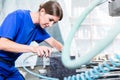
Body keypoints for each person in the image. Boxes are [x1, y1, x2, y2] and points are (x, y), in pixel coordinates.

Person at [0, 0, 63, 80]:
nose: (50, 25)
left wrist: (67, 53)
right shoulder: (18, 16)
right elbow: (2, 44)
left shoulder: (37, 29)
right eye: (50, 20)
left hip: (9, 66)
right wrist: (34, 49)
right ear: (42, 11)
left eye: (54, 23)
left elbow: (55, 43)